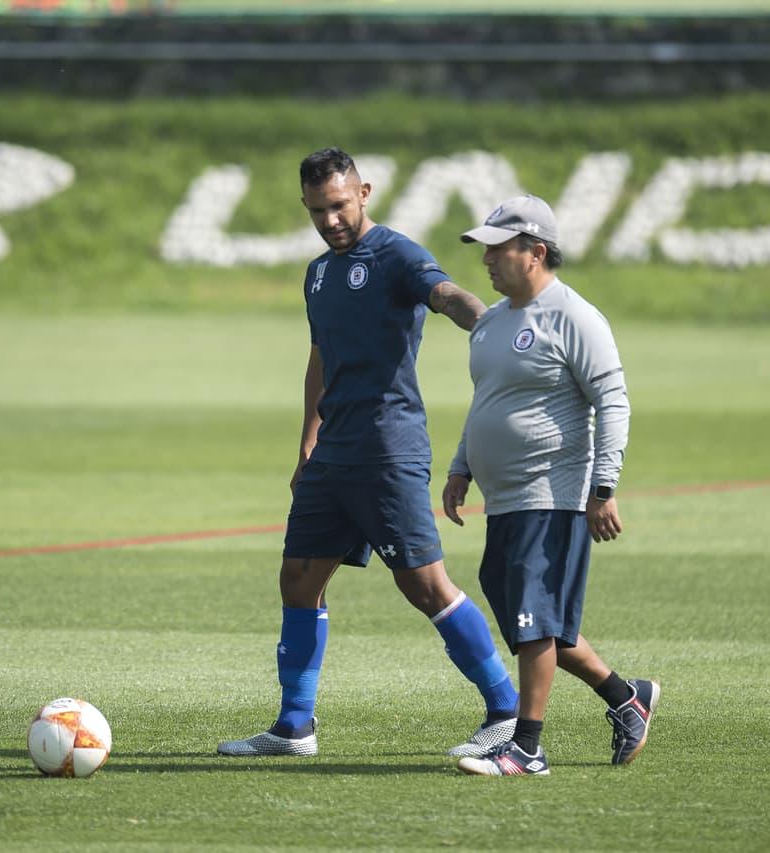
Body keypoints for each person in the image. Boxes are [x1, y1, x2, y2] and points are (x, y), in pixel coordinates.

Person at [218, 147, 519, 759]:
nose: (329, 220)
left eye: (338, 205)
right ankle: (294, 727)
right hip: (333, 455)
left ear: (364, 192)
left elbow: (446, 295)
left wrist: (490, 324)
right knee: (298, 579)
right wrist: (308, 439)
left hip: (388, 450)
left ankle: (507, 711)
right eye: (316, 210)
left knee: (425, 585)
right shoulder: (318, 274)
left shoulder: (396, 255)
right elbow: (320, 357)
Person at [443, 194, 659, 776]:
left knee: (535, 622)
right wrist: (461, 466)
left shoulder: (576, 317)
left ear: (535, 252)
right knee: (536, 624)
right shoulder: (491, 322)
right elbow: (487, 402)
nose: (486, 260)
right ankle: (625, 697)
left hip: (553, 493)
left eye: (497, 249)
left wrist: (603, 487)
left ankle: (527, 749)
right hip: (504, 500)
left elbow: (612, 403)